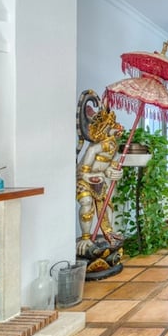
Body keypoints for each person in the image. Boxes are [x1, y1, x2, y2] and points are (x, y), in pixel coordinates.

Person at [75, 91, 124, 274]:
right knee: (87, 204)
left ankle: (108, 232)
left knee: (107, 205)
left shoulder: (113, 148)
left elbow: (112, 167)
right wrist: (94, 177)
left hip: (101, 182)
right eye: (111, 127)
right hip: (85, 181)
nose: (116, 130)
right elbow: (82, 171)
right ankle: (87, 237)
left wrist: (113, 172)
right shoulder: (95, 147)